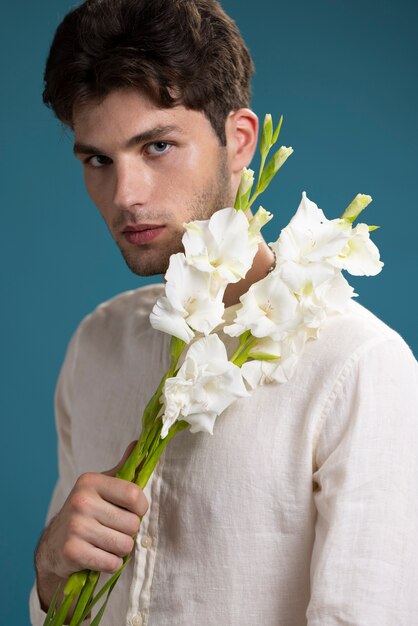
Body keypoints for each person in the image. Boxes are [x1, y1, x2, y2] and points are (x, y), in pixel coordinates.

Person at [31, 1, 418, 625]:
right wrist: (50, 571)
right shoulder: (97, 343)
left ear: (239, 142)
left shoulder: (358, 369)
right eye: (97, 160)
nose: (125, 195)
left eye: (157, 146)